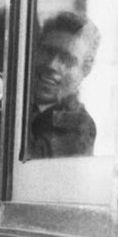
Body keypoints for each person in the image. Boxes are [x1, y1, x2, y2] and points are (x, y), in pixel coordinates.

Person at [24, 10, 100, 159]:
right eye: (47, 51)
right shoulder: (20, 105)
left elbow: (30, 164)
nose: (52, 65)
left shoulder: (80, 126)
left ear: (84, 72)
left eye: (67, 59)